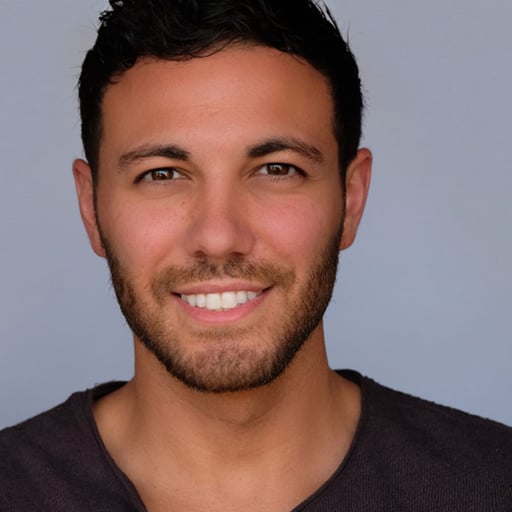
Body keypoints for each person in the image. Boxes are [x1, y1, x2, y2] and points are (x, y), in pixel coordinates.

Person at [1, 0, 510, 510]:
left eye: (276, 169)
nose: (219, 236)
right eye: (161, 174)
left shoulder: (492, 484)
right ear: (91, 208)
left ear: (351, 199)